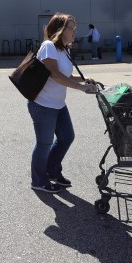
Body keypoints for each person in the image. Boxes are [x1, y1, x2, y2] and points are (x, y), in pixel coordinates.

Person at [28, 13, 97, 193]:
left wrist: (83, 79)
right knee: (44, 143)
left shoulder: (63, 49)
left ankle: (52, 170)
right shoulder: (48, 46)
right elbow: (54, 74)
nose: (75, 31)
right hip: (43, 104)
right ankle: (38, 180)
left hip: (58, 104)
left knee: (67, 137)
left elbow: (64, 74)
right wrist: (82, 89)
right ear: (60, 29)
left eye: (74, 27)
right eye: (71, 28)